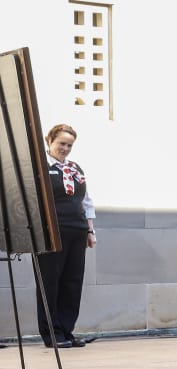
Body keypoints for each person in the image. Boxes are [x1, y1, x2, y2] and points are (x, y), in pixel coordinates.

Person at [36, 124, 97, 348]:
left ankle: (67, 331)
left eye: (69, 145)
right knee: (50, 282)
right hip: (52, 232)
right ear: (49, 141)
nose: (65, 148)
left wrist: (90, 231)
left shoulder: (74, 168)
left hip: (77, 231)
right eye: (61, 143)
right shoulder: (40, 166)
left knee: (72, 282)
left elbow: (86, 201)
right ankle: (52, 334)